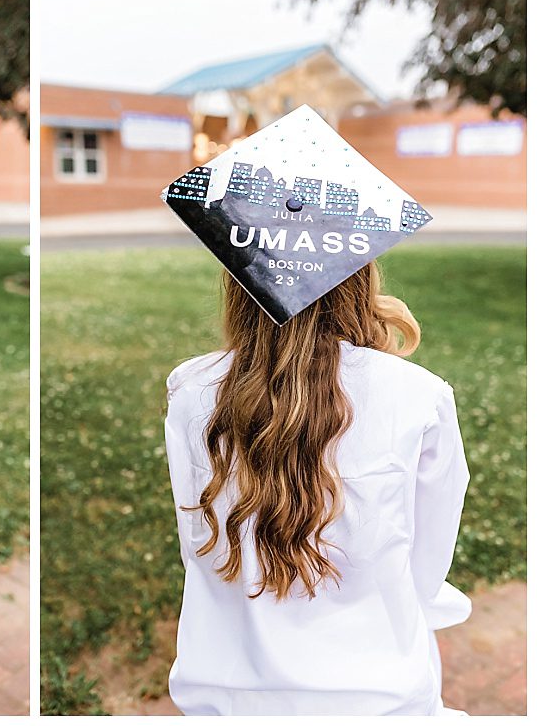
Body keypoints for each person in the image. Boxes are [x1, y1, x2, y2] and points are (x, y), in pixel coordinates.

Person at [160, 106, 468, 715]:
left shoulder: (192, 392)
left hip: (226, 694)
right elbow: (425, 566)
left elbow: (200, 543)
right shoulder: (418, 397)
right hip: (377, 696)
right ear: (360, 271)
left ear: (237, 277)